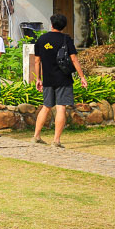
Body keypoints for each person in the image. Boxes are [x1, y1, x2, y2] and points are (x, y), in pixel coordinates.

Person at [31, 13, 87, 148]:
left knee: (46, 107)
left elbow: (37, 61)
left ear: (51, 24)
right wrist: (82, 77)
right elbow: (74, 59)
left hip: (48, 79)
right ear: (64, 26)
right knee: (61, 107)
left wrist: (38, 78)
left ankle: (36, 136)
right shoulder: (66, 39)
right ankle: (56, 140)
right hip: (63, 78)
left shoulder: (42, 39)